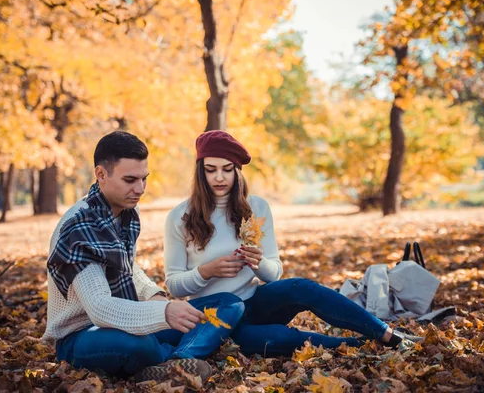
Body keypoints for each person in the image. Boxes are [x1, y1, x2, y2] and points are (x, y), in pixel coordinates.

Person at [164, 130, 419, 357]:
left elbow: (274, 273)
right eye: (211, 169)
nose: (219, 177)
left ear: (237, 171)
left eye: (227, 169)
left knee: (301, 287)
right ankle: (355, 345)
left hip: (255, 302)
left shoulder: (256, 208)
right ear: (200, 171)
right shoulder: (180, 216)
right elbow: (174, 286)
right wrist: (207, 271)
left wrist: (257, 262)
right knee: (284, 338)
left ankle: (387, 335)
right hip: (214, 316)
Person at [42, 131, 244, 381]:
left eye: (143, 179)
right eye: (130, 180)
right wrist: (164, 314)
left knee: (226, 303)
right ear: (101, 175)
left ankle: (175, 361)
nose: (140, 189)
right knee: (140, 345)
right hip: (83, 335)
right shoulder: (79, 229)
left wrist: (155, 297)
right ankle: (173, 358)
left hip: (128, 315)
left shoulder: (123, 208)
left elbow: (126, 268)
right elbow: (99, 309)